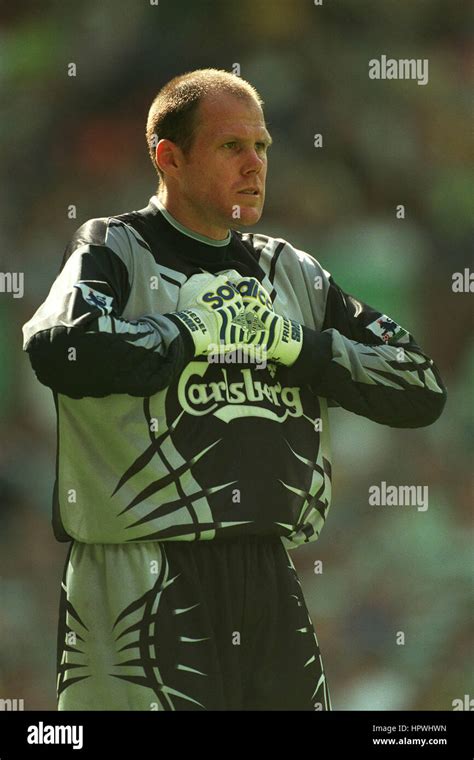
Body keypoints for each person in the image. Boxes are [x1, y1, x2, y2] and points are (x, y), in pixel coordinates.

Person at [22, 68, 447, 711]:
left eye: (263, 147)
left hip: (269, 575)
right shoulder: (113, 247)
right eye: (231, 147)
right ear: (168, 157)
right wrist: (188, 332)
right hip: (139, 573)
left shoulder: (291, 271)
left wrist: (297, 347)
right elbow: (58, 345)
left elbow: (421, 386)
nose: (255, 165)